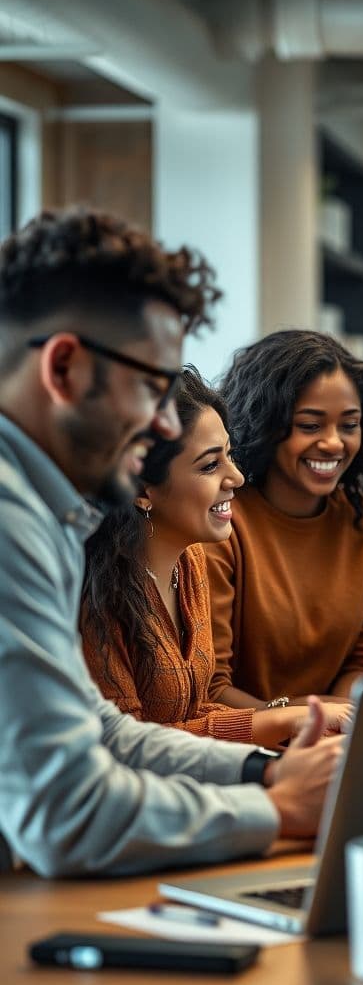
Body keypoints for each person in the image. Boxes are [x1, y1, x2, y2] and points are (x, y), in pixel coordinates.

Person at [0, 207, 340, 877]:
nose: (162, 426)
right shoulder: (12, 523)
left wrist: (264, 773)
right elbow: (63, 812)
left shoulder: (50, 510)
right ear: (64, 368)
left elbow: (104, 732)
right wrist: (274, 811)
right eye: (151, 390)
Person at [81, 366, 352, 747]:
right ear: (140, 490)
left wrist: (296, 720)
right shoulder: (95, 594)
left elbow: (195, 713)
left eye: (229, 455)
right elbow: (125, 746)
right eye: (210, 465)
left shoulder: (190, 561)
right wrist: (279, 722)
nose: (236, 477)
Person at [205, 330, 363, 706]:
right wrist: (304, 724)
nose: (334, 443)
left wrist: (338, 724)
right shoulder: (220, 523)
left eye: (349, 425)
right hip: (242, 735)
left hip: (334, 733)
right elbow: (211, 687)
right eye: (310, 425)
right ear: (264, 423)